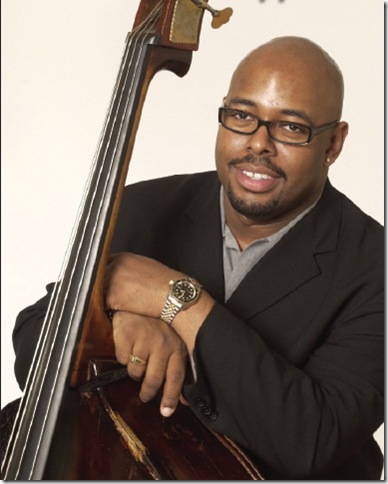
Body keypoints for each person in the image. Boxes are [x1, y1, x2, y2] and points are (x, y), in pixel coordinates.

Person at [12, 37, 383, 479]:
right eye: (242, 116)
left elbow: (313, 438)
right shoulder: (141, 206)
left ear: (333, 144)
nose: (258, 144)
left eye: (291, 127)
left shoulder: (374, 264)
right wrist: (112, 329)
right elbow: (32, 337)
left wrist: (178, 301)